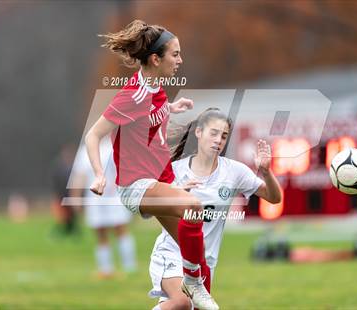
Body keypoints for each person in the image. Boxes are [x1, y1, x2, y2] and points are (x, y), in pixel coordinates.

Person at [85, 20, 218, 310]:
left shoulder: (156, 89)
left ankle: (187, 295)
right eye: (175, 54)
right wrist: (98, 175)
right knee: (193, 207)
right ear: (155, 59)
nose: (180, 60)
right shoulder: (131, 94)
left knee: (197, 263)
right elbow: (93, 135)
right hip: (135, 186)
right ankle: (193, 284)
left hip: (155, 183)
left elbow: (150, 114)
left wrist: (171, 108)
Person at [148, 108, 282, 309]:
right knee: (183, 302)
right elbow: (150, 208)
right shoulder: (175, 170)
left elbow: (274, 198)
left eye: (224, 136)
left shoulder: (234, 171)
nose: (219, 140)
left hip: (205, 263)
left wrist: (266, 172)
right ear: (198, 132)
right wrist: (175, 193)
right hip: (172, 253)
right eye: (214, 133)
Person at [71, 139, 136, 278]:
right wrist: (75, 197)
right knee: (100, 232)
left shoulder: (112, 147)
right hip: (95, 199)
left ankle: (129, 267)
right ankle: (106, 269)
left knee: (120, 229)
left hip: (113, 196)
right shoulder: (84, 151)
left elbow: (123, 169)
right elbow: (79, 175)